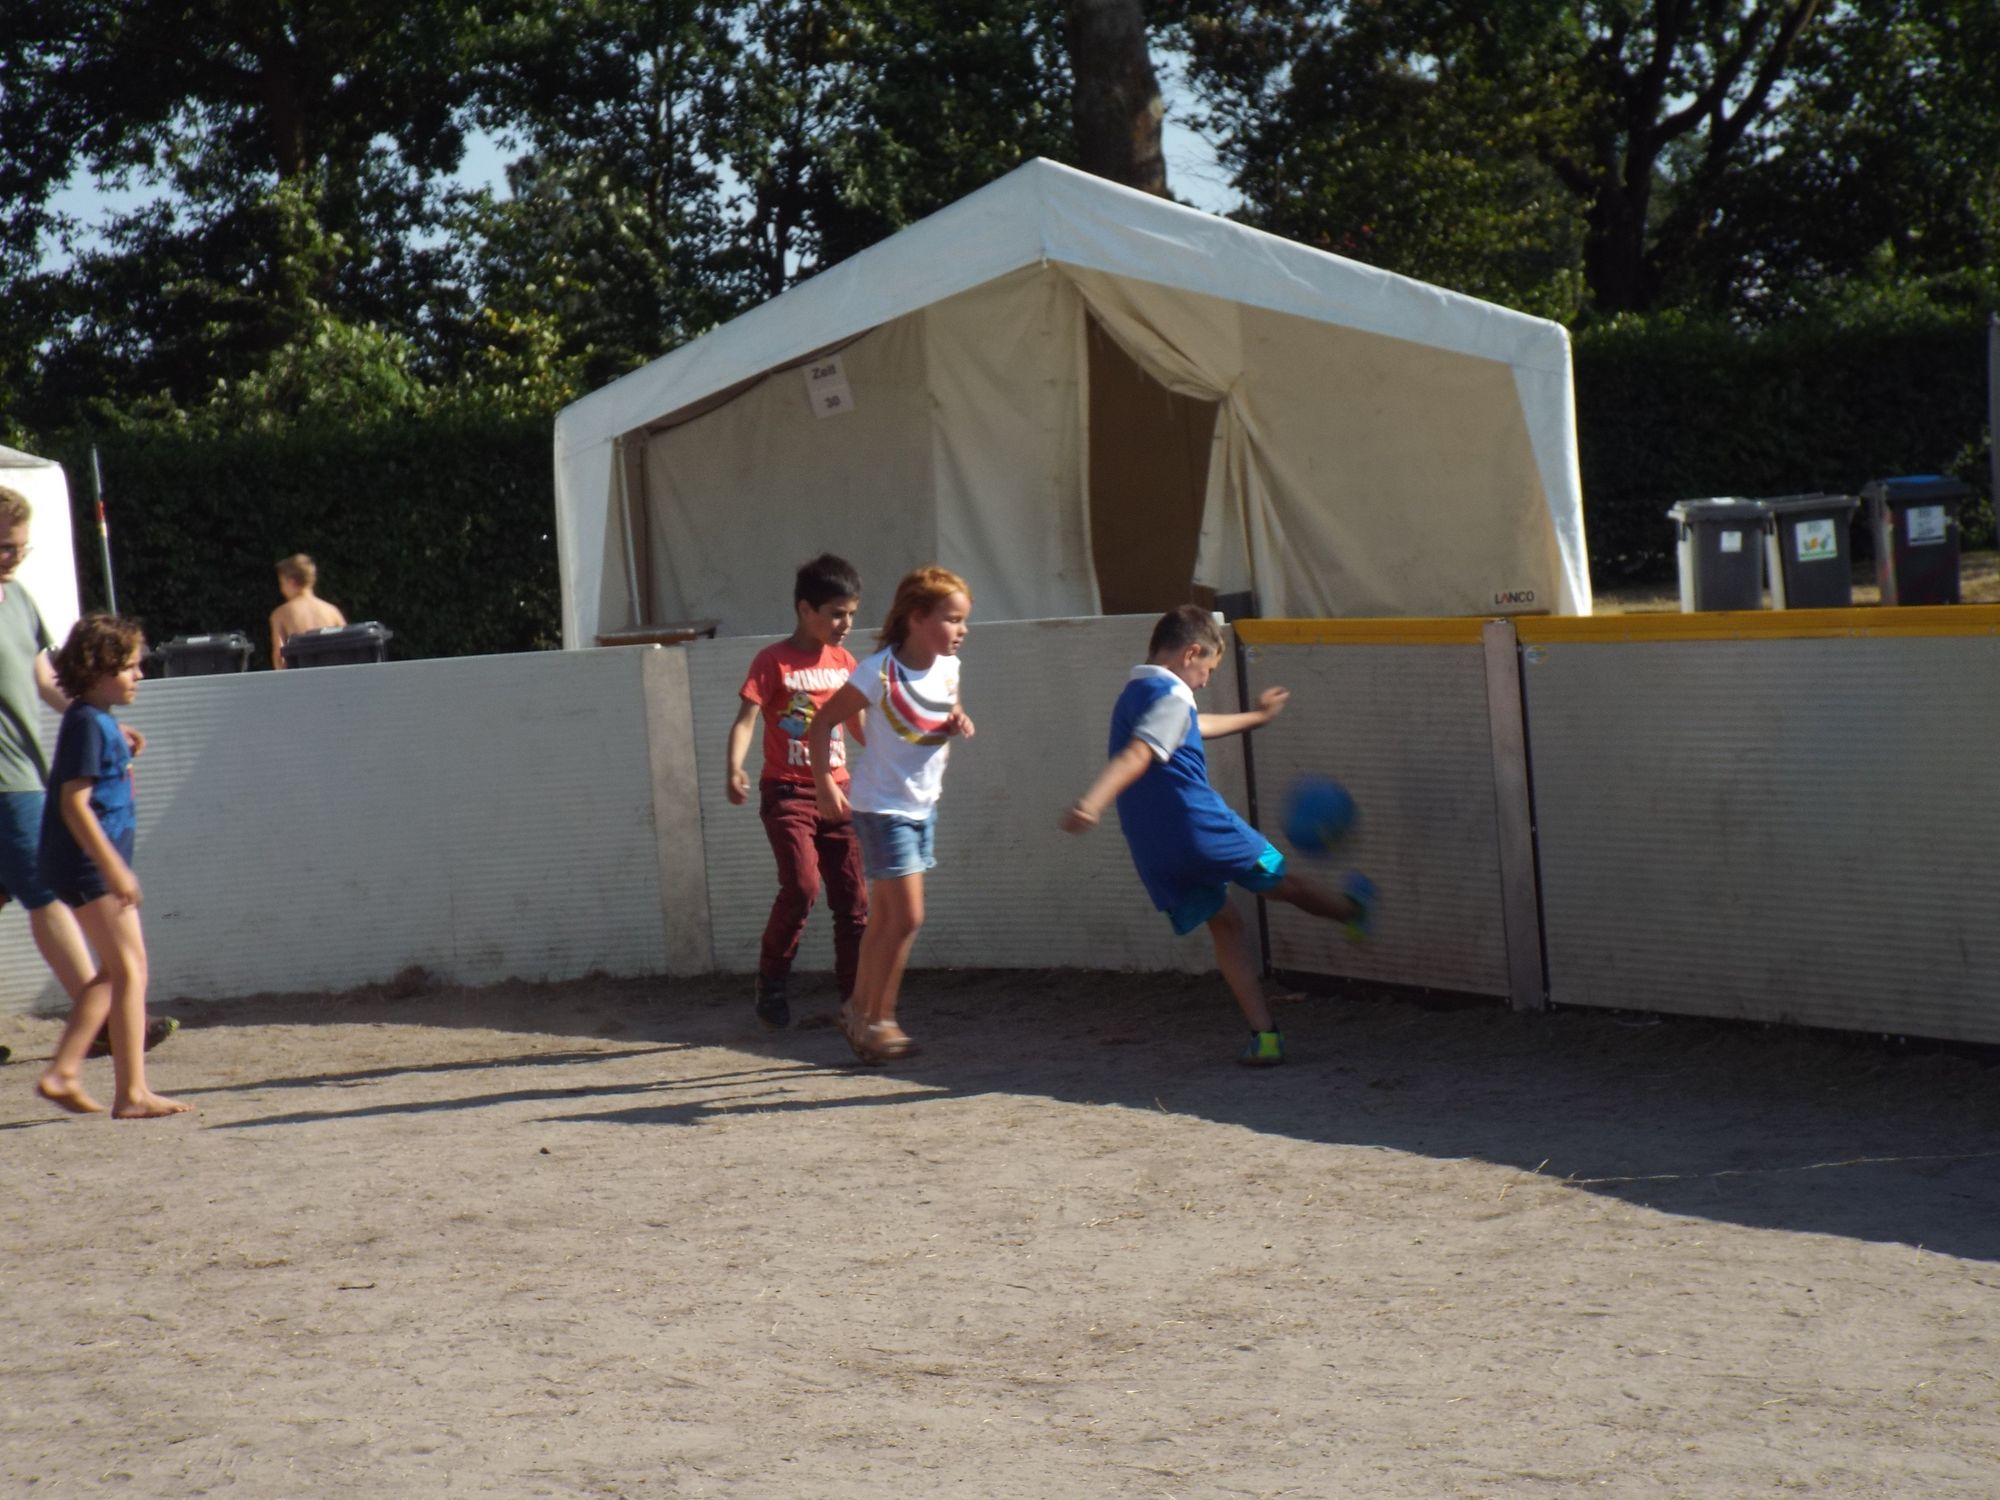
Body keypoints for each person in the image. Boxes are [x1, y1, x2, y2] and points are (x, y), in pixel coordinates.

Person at [1060, 604, 1375, 1067]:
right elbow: (1138, 754)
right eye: (1208, 670)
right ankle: (1353, 912)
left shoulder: (1137, 692)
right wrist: (1092, 801)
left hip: (1153, 847)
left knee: (1224, 923)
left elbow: (1193, 724)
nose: (1206, 682)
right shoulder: (1172, 696)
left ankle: (1265, 1036)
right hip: (1203, 828)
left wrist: (1257, 718)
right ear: (1190, 653)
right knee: (1281, 880)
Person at [0, 488, 173, 1070]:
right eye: (4, 548)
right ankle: (98, 1023)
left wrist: (101, 722)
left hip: (24, 768)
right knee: (44, 891)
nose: (14, 558)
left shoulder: (18, 599)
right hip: (8, 780)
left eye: (20, 547)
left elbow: (46, 677)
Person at [808, 567, 974, 1064]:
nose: (962, 629)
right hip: (882, 807)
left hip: (923, 805)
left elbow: (946, 706)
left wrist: (956, 718)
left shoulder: (949, 667)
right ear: (916, 618)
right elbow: (823, 723)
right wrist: (823, 783)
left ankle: (859, 1014)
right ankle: (879, 1020)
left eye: (963, 619)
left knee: (886, 920)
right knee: (907, 918)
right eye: (952, 619)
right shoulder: (877, 671)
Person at [34, 614, 189, 1117]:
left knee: (119, 970)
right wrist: (113, 868)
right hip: (90, 868)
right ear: (97, 670)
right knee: (129, 969)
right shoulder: (86, 723)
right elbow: (73, 804)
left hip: (89, 867)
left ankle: (71, 1072)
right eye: (129, 667)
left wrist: (121, 745)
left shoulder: (95, 721)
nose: (139, 674)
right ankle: (127, 1091)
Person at [724, 554, 869, 1030]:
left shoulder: (845, 662)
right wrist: (734, 767)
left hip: (840, 793)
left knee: (854, 901)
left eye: (851, 613)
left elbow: (861, 727)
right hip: (788, 793)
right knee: (803, 885)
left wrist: (901, 750)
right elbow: (746, 720)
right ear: (805, 610)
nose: (846, 624)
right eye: (836, 613)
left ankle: (856, 1001)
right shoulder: (773, 661)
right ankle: (772, 980)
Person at [269, 553, 346, 669]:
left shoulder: (281, 614)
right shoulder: (332, 611)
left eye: (282, 583)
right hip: (332, 674)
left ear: (291, 582)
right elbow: (346, 647)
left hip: (301, 674)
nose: (281, 589)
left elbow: (280, 656)